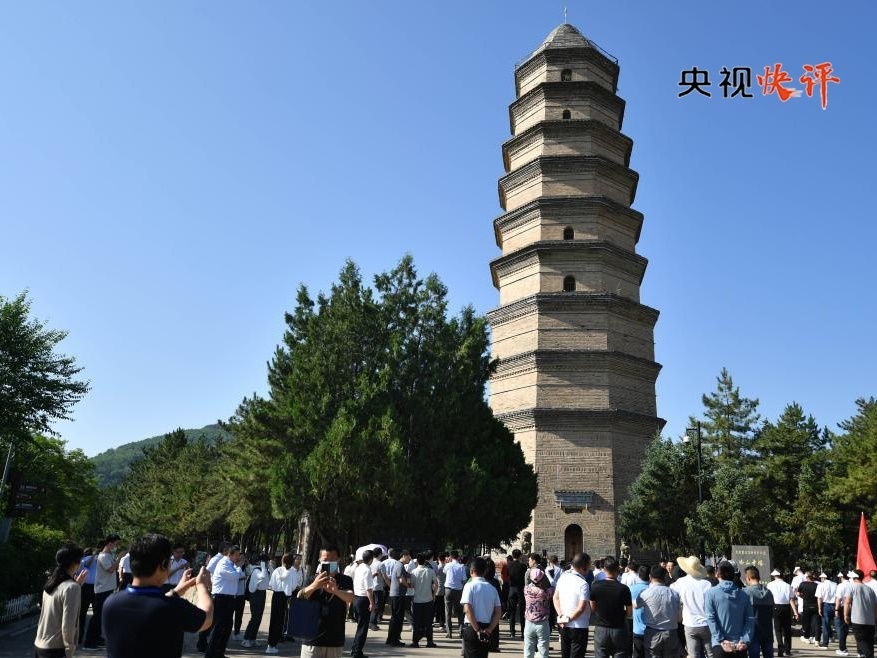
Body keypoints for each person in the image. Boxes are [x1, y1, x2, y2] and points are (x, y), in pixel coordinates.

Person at [102, 533, 213, 658]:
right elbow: (207, 619)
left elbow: (153, 604)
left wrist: (177, 591)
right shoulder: (173, 607)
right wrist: (202, 586)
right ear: (164, 564)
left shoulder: (111, 603)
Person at [296, 544, 355, 658]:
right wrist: (315, 585)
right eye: (325, 560)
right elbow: (300, 598)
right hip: (311, 639)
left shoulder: (345, 580)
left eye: (333, 560)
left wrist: (336, 591)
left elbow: (351, 597)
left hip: (335, 640)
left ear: (338, 560)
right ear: (319, 560)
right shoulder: (311, 579)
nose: (329, 563)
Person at [34, 542, 86, 658]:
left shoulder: (51, 583)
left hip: (40, 644)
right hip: (56, 648)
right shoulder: (72, 587)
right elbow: (68, 624)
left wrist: (76, 585)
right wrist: (69, 650)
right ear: (75, 563)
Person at [704, 562, 755, 658]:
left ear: (717, 574)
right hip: (740, 646)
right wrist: (744, 640)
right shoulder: (744, 594)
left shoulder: (710, 593)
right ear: (733, 575)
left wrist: (721, 640)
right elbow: (750, 619)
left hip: (720, 646)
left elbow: (710, 619)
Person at [82, 534, 120, 650]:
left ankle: (97, 638)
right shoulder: (103, 556)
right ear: (110, 544)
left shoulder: (109, 555)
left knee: (100, 616)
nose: (117, 546)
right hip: (102, 590)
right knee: (97, 616)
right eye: (116, 544)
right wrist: (120, 558)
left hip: (107, 589)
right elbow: (111, 569)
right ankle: (88, 642)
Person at [205, 544, 245, 658]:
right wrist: (238, 568)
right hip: (221, 598)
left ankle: (219, 653)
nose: (238, 557)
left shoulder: (231, 564)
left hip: (229, 599)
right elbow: (235, 576)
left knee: (226, 628)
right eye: (237, 555)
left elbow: (241, 575)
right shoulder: (223, 563)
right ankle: (210, 654)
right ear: (230, 554)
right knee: (219, 627)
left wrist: (237, 569)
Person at [590, 556, 632, 658]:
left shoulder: (595, 586)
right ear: (618, 569)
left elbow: (593, 608)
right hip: (619, 628)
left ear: (604, 569)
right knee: (620, 654)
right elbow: (629, 612)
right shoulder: (624, 589)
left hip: (601, 628)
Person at [636, 564, 682, 658]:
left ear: (650, 577)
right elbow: (679, 618)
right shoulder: (674, 593)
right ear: (665, 576)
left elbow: (636, 606)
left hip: (652, 633)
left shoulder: (645, 593)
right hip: (671, 632)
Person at [672, 556, 713, 658]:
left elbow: (671, 592)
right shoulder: (707, 584)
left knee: (694, 655)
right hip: (706, 623)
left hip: (690, 623)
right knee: (711, 654)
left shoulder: (680, 582)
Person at [461, 556, 502, 658]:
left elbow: (467, 608)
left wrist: (477, 629)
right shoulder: (492, 589)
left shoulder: (469, 586)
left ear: (471, 571)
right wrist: (489, 629)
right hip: (486, 628)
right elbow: (498, 612)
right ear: (484, 572)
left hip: (472, 627)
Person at [554, 552, 593, 658]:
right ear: (583, 567)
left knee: (565, 654)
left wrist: (561, 616)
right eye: (589, 566)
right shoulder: (583, 584)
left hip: (563, 624)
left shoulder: (563, 577)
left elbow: (555, 598)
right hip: (579, 626)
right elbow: (581, 608)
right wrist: (568, 619)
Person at [266, 553, 295, 655]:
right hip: (285, 597)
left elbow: (271, 584)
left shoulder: (277, 570)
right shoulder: (292, 572)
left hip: (276, 596)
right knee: (280, 621)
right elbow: (293, 586)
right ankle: (273, 644)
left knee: (273, 620)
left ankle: (270, 644)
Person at [843, 570, 877, 658]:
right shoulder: (870, 589)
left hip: (858, 620)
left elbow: (847, 602)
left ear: (854, 577)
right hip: (870, 621)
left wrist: (845, 615)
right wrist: (875, 618)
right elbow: (875, 606)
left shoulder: (852, 587)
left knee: (861, 640)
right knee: (869, 642)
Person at [743, 566, 775, 658]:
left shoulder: (745, 592)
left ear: (748, 578)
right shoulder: (769, 592)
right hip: (767, 630)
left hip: (752, 631)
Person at [351, 549, 376, 658]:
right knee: (363, 628)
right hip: (363, 599)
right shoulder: (367, 570)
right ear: (371, 559)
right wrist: (372, 603)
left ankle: (356, 650)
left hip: (356, 598)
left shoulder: (359, 568)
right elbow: (368, 589)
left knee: (360, 626)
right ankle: (356, 652)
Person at [524, 567, 554, 658]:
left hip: (529, 622)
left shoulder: (526, 590)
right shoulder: (546, 593)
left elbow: (529, 584)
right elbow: (552, 585)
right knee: (543, 649)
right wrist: (547, 575)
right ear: (542, 580)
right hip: (542, 623)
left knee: (528, 648)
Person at [410, 552, 439, 648]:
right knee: (428, 622)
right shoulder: (430, 571)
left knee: (416, 622)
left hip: (417, 600)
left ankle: (415, 642)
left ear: (417, 561)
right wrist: (434, 595)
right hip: (428, 599)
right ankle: (429, 641)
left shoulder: (413, 572)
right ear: (425, 560)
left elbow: (412, 585)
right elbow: (436, 584)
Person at [242, 554, 270, 648]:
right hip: (255, 595)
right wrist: (263, 566)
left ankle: (252, 638)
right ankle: (246, 639)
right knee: (255, 617)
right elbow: (262, 577)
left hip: (262, 594)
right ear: (262, 562)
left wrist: (267, 567)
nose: (267, 563)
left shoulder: (265, 570)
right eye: (266, 562)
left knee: (259, 618)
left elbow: (270, 578)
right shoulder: (257, 570)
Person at [765, 569, 796, 658]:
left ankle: (780, 647)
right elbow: (791, 599)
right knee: (787, 629)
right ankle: (788, 650)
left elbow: (768, 597)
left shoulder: (770, 585)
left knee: (777, 629)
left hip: (775, 607)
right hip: (786, 607)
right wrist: (795, 611)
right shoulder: (787, 585)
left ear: (774, 576)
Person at [445, 550, 468, 638]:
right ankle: (461, 631)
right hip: (458, 590)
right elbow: (464, 580)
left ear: (451, 557)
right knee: (460, 612)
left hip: (448, 589)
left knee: (448, 612)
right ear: (458, 557)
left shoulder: (448, 565)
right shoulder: (461, 566)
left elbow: (444, 571)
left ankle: (449, 632)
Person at [77, 547, 97, 643]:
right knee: (96, 613)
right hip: (94, 588)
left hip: (84, 587)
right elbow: (88, 565)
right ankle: (93, 637)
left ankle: (79, 637)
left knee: (82, 613)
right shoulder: (91, 560)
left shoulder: (81, 561)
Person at [630, 565, 651, 658]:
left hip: (637, 629)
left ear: (638, 575)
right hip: (652, 629)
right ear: (650, 575)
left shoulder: (631, 588)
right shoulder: (652, 589)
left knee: (637, 654)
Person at [506, 549, 527, 638]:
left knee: (512, 611)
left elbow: (507, 576)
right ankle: (523, 632)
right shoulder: (523, 566)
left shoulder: (509, 565)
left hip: (512, 588)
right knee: (522, 612)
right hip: (520, 588)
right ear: (520, 555)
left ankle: (512, 632)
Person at [797, 571, 819, 645]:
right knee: (816, 622)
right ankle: (816, 638)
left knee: (806, 622)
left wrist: (803, 597)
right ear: (813, 577)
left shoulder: (802, 584)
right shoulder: (817, 585)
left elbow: (798, 593)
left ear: (807, 577)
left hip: (806, 605)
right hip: (815, 605)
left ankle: (806, 637)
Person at [817, 572, 839, 649]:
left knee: (825, 625)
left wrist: (819, 608)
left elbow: (819, 598)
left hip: (826, 605)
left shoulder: (821, 585)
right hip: (835, 605)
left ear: (824, 578)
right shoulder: (835, 585)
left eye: (821, 577)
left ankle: (825, 644)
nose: (821, 579)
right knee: (837, 625)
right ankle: (841, 644)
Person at [834, 572, 853, 657]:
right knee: (846, 628)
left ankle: (842, 648)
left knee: (841, 629)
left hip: (842, 608)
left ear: (841, 577)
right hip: (851, 608)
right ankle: (844, 647)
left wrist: (836, 609)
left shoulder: (841, 585)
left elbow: (838, 599)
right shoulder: (852, 584)